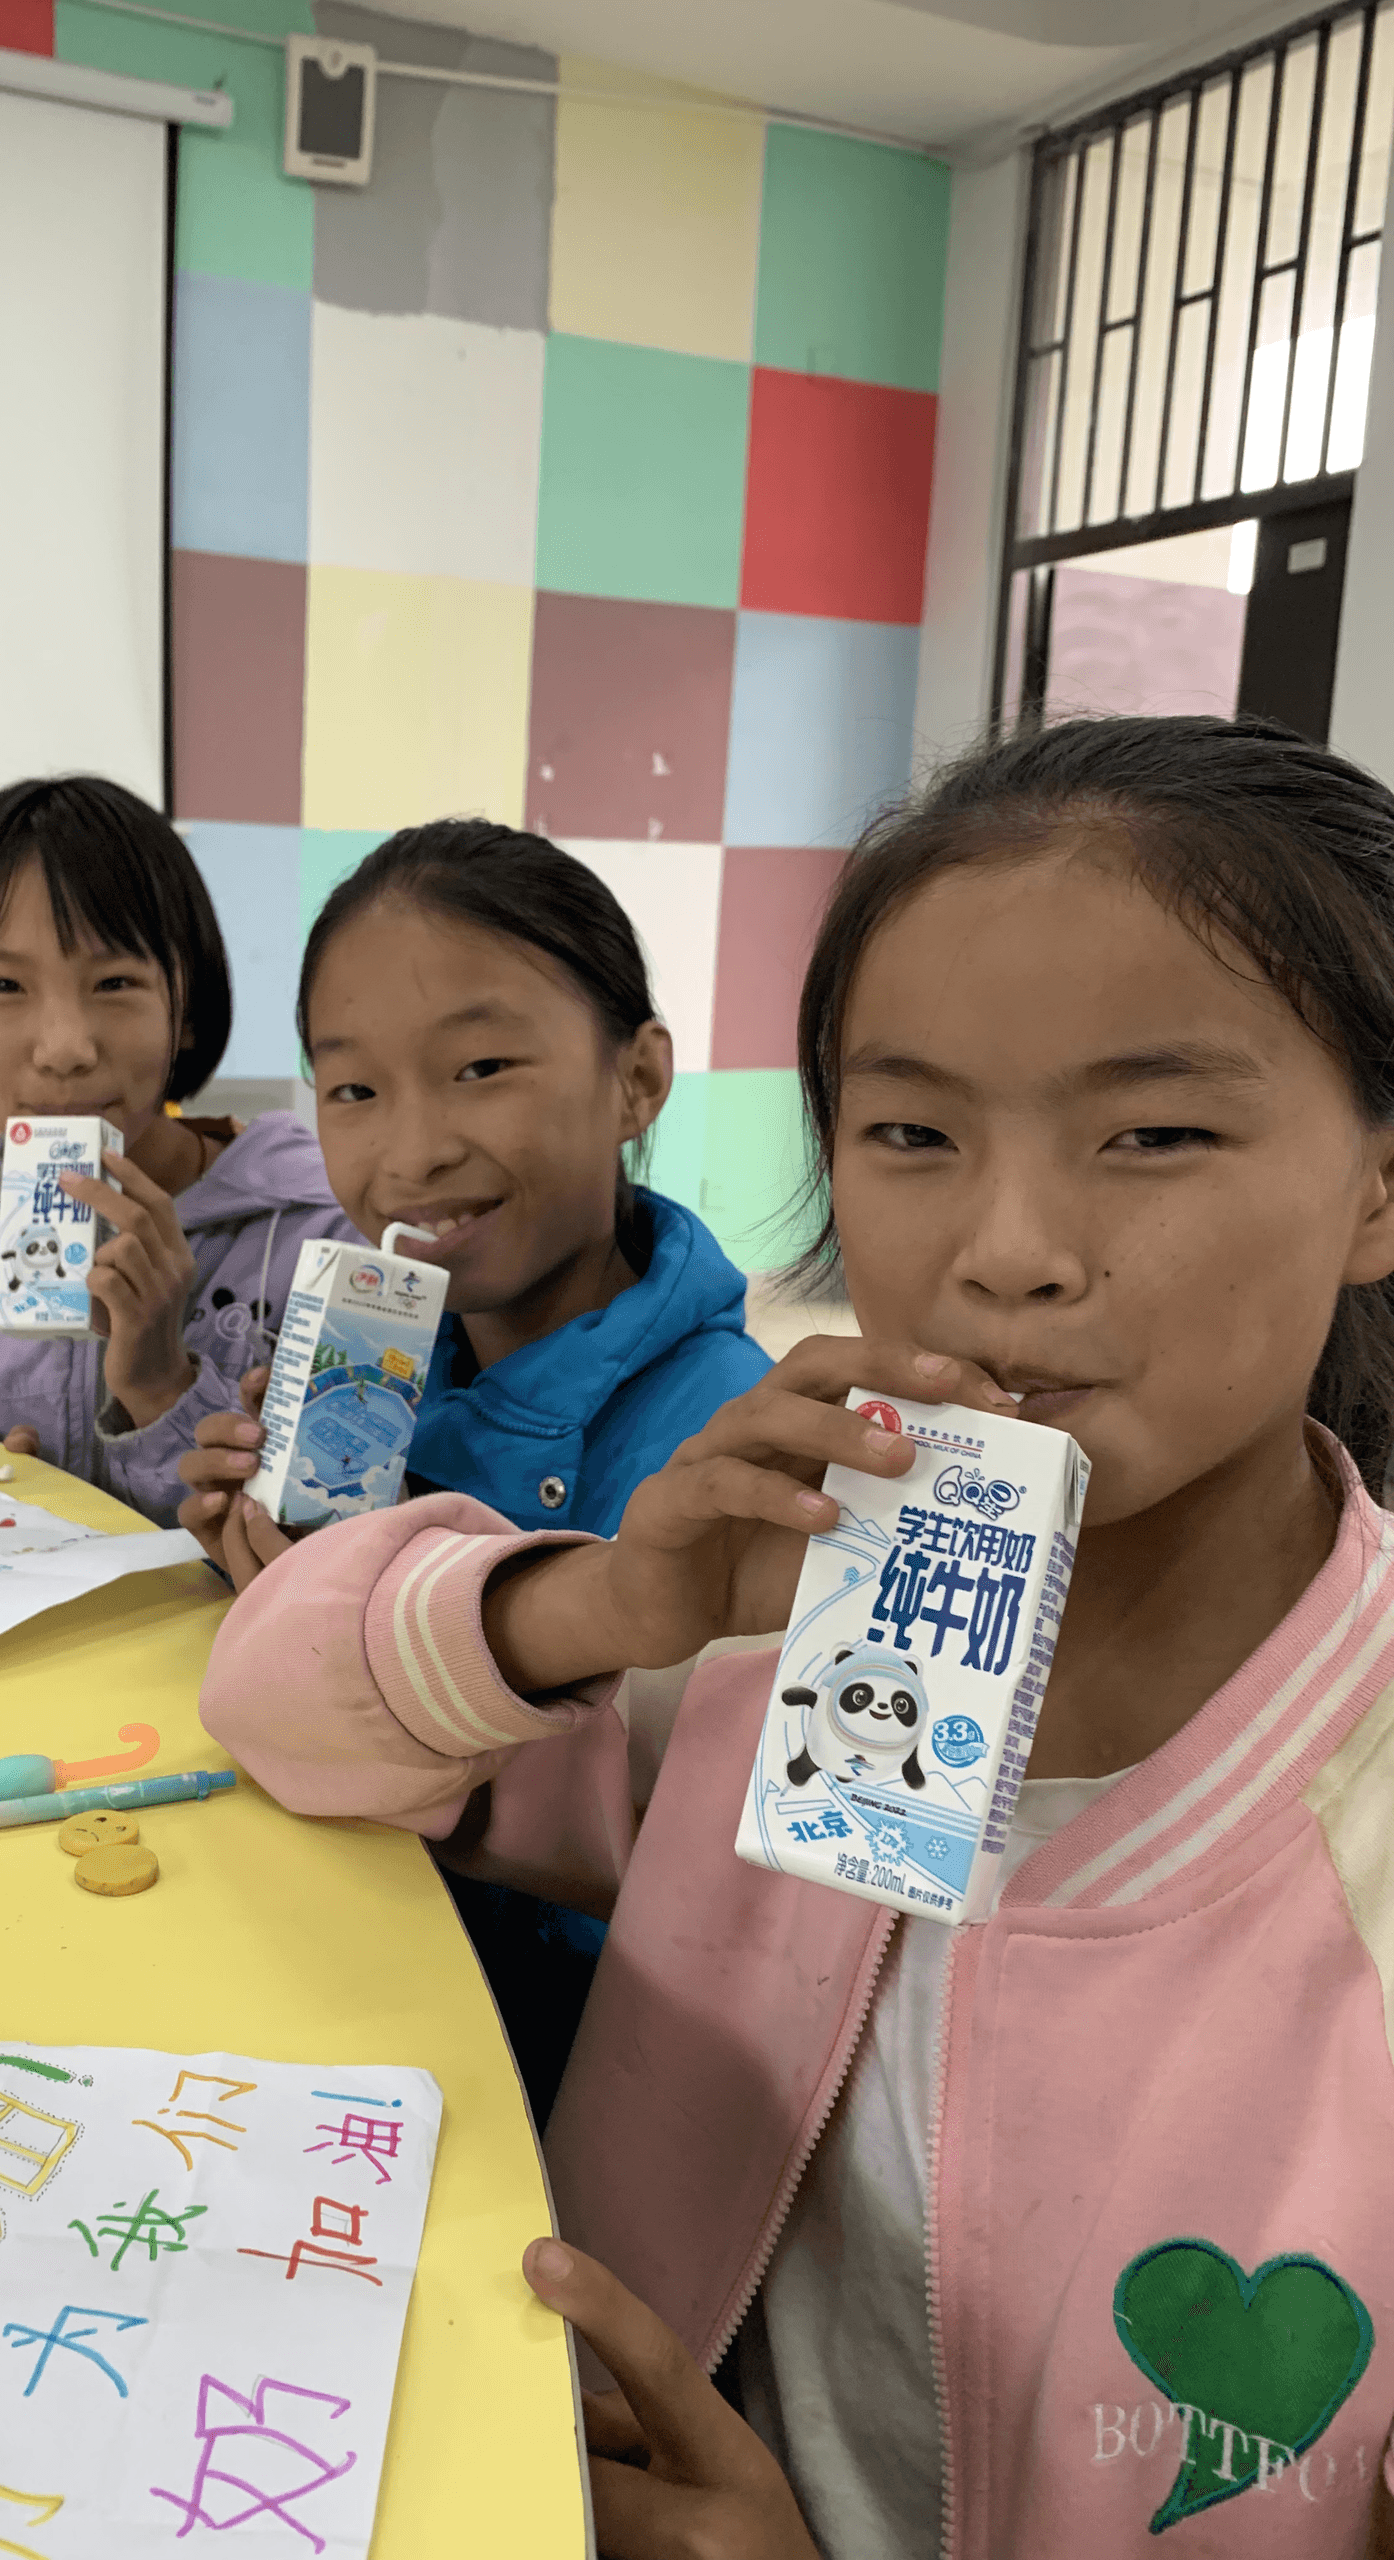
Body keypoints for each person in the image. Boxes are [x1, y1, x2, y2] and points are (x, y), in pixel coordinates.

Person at [199, 716, 1394, 2557]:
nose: (1007, 1248)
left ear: (1377, 1183)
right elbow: (280, 1699)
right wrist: (613, 1599)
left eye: (1153, 1133)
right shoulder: (791, 1647)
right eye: (913, 1133)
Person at [179, 820, 771, 2120]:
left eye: (482, 1068)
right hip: (344, 1994)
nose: (413, 1151)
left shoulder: (732, 1456)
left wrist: (346, 1632)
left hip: (571, 2089)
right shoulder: (379, 1379)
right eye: (353, 1090)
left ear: (638, 1080)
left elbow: (693, 1871)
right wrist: (264, 1566)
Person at [0, 774, 356, 1520]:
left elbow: (336, 1547)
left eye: (114, 983)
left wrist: (162, 1384)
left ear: (186, 1010)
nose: (65, 1049)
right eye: (4, 985)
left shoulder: (324, 1239)